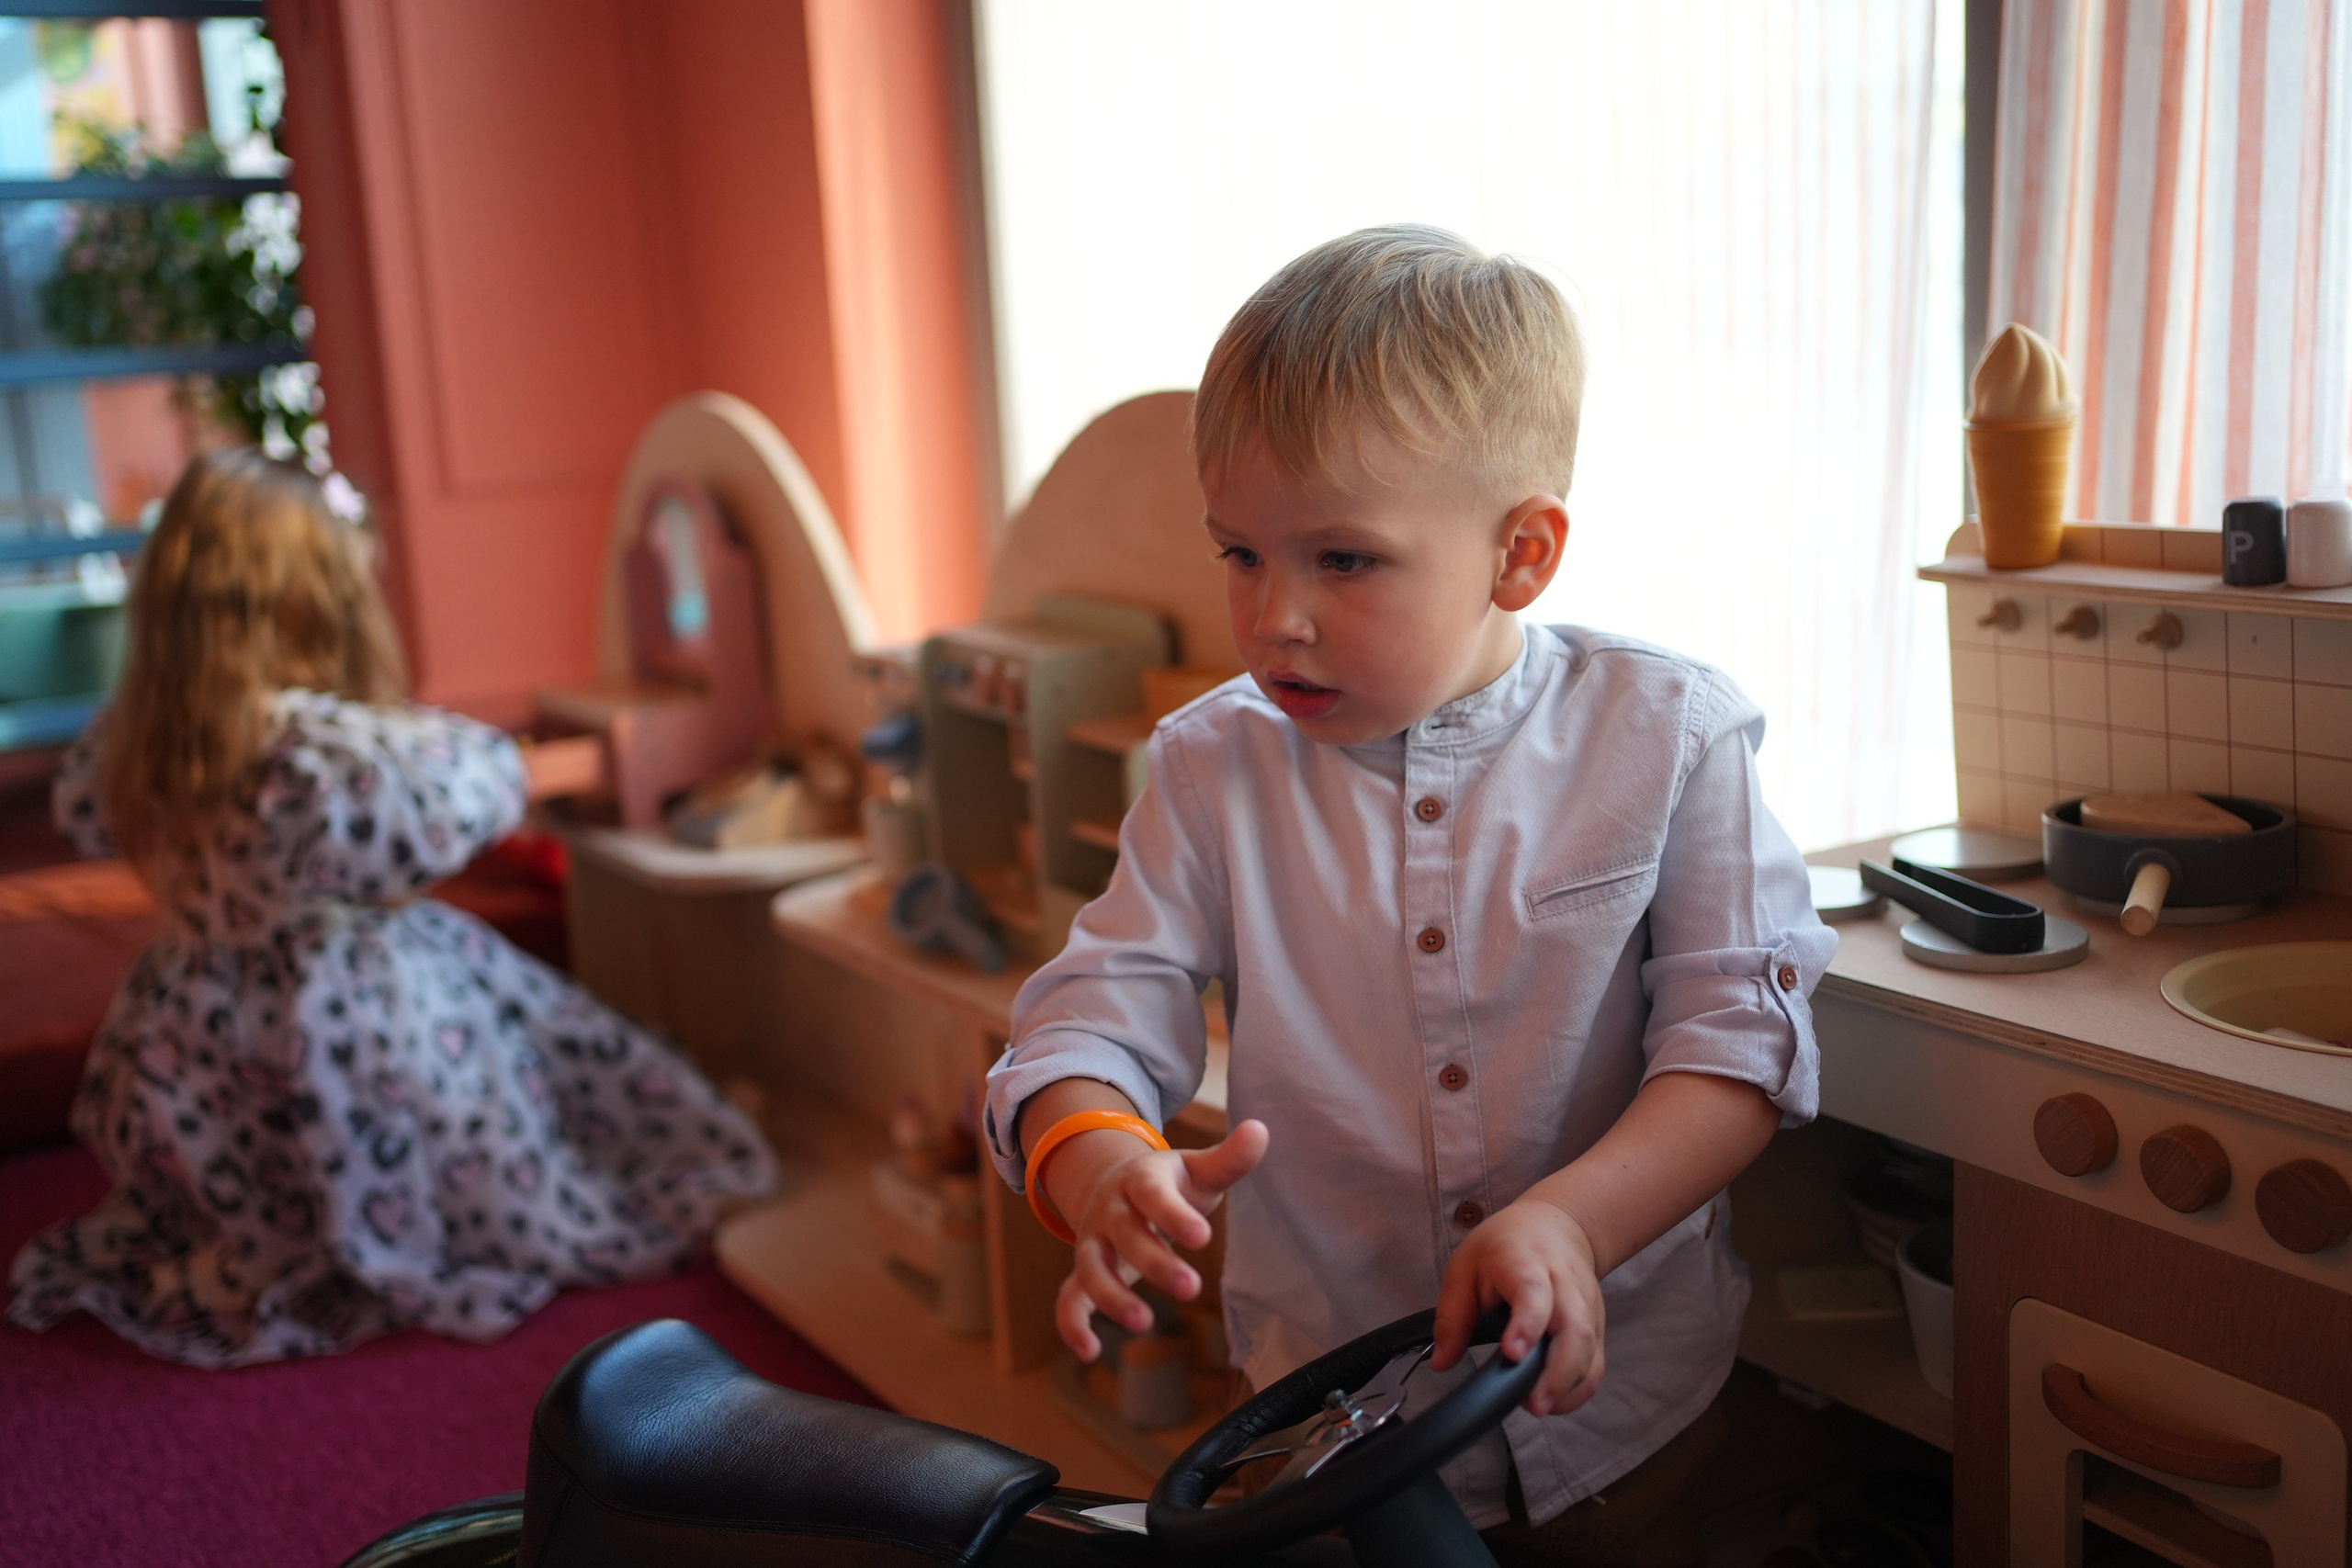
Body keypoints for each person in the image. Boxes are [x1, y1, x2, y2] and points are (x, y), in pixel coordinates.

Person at [983, 227, 1837, 1564]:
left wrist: (1570, 1216)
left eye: (1343, 560)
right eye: (1241, 554)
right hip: (1335, 1421)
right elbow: (1090, 1012)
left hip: (1627, 1413)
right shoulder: (1213, 765)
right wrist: (1097, 1157)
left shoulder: (1672, 735)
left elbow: (1737, 1048)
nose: (1275, 618)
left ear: (1522, 553)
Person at [7, 449, 775, 1369]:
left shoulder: (135, 736)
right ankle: (409, 1226)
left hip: (192, 1017)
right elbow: (477, 783)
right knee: (533, 1062)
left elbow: (88, 815)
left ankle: (277, 1231)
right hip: (340, 1012)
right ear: (317, 600)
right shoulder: (322, 749)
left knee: (254, 1151)